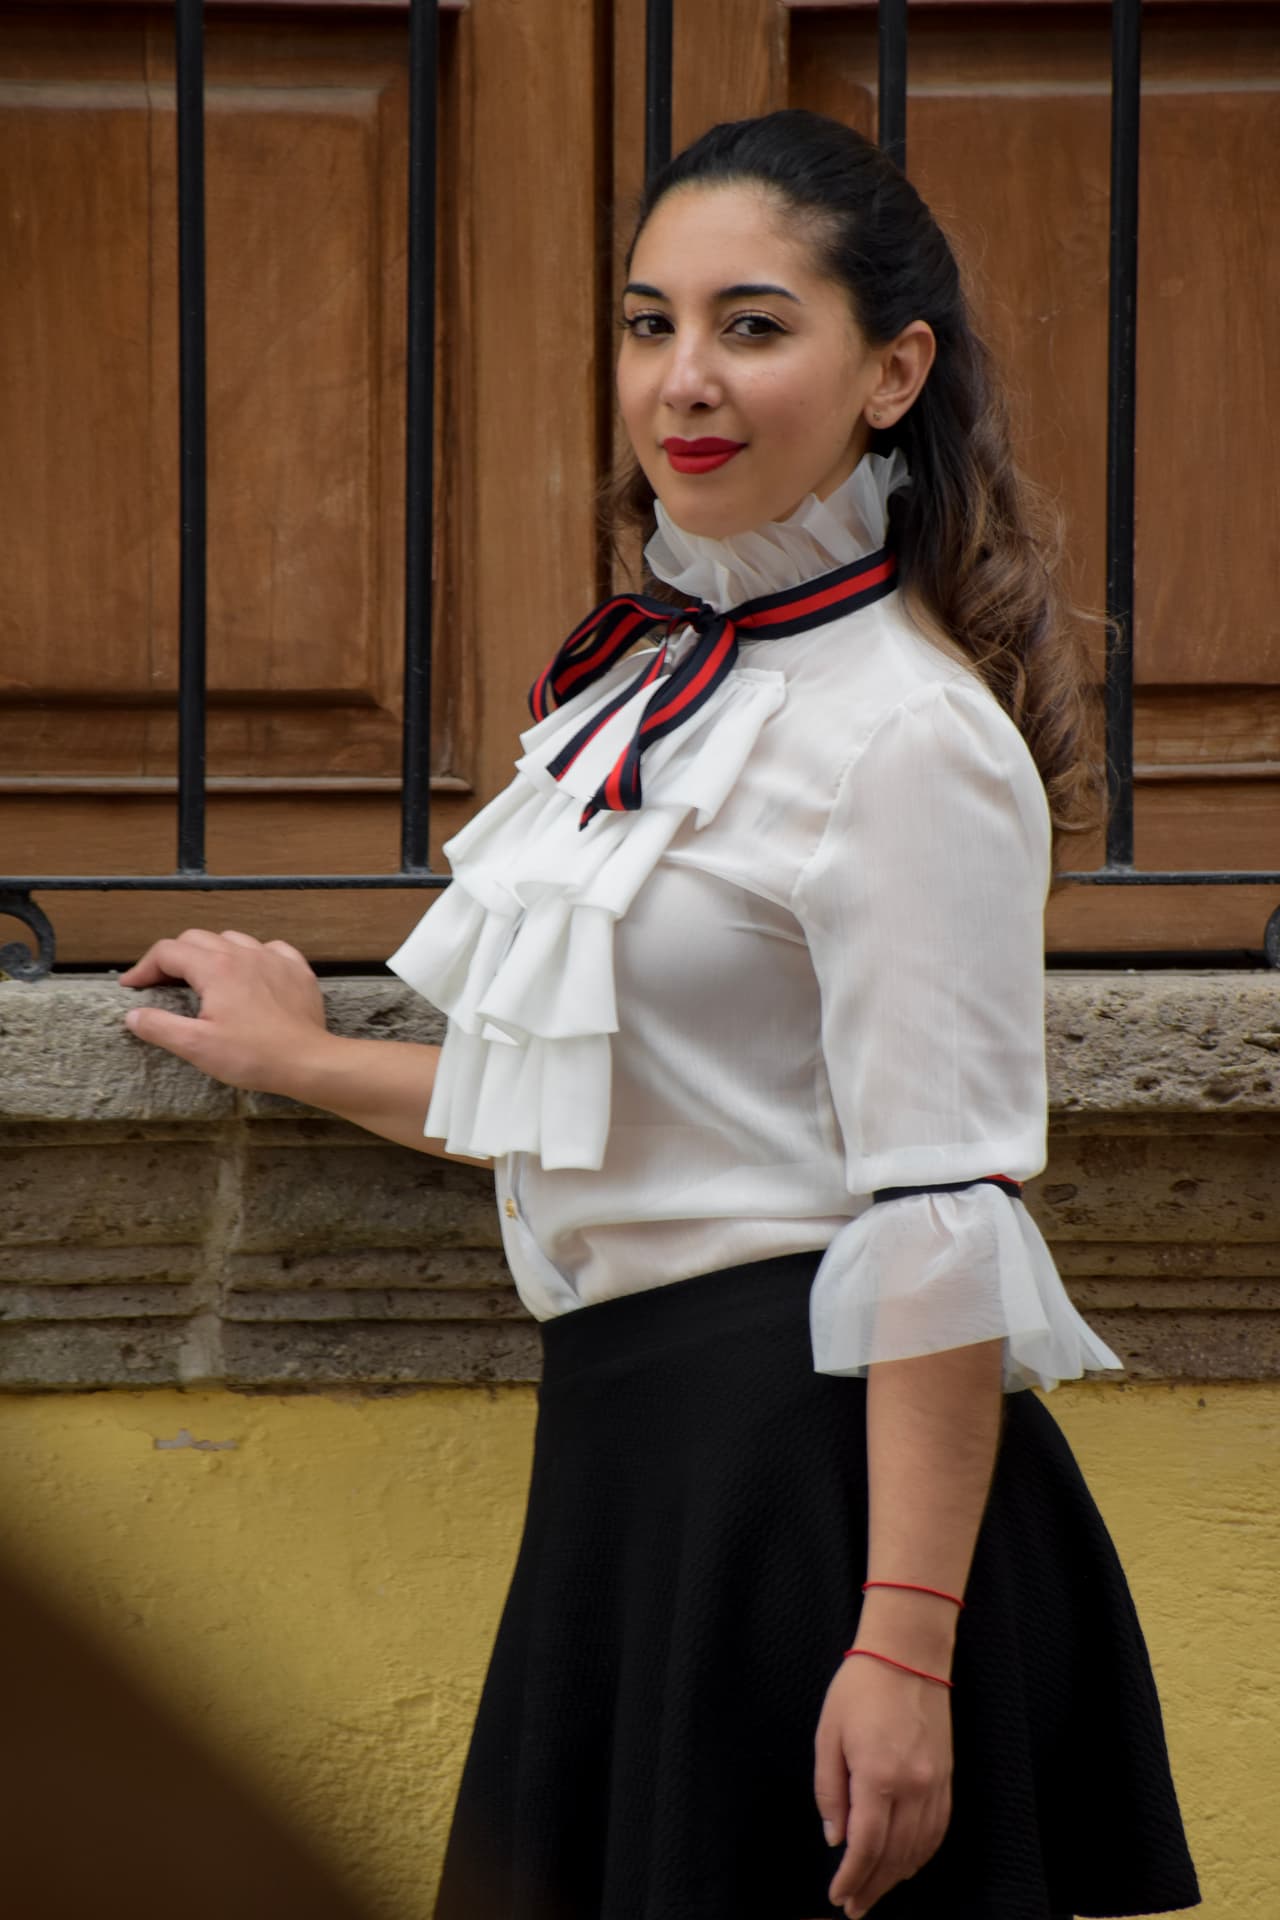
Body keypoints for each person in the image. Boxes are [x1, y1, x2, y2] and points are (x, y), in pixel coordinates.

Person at [120, 110, 1201, 1920]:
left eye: (754, 326)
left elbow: (944, 1213)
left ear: (891, 371)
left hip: (812, 1497)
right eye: (648, 324)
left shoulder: (905, 736)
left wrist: (909, 1649)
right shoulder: (667, 687)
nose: (682, 381)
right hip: (635, 1466)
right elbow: (625, 1098)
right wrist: (299, 1054)